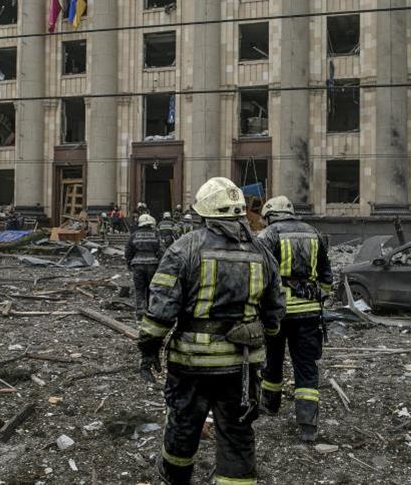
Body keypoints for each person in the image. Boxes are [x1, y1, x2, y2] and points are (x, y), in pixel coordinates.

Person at [137, 177, 285, 485]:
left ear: (203, 213)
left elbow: (161, 309)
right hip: (241, 366)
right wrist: (264, 338)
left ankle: (176, 477)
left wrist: (148, 348)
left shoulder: (185, 248)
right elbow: (275, 310)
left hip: (191, 364)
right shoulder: (261, 252)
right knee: (237, 431)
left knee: (183, 426)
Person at [257, 195, 333, 442]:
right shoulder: (315, 234)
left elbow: (258, 273)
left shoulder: (268, 235)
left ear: (270, 215)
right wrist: (320, 298)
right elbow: (326, 276)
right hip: (309, 313)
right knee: (306, 367)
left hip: (277, 313)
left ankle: (270, 405)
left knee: (273, 360)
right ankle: (308, 425)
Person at [125, 214, 164, 318]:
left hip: (137, 265)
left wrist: (129, 263)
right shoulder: (156, 234)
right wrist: (160, 263)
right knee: (152, 288)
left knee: (139, 289)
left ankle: (140, 311)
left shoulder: (134, 235)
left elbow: (128, 251)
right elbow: (161, 250)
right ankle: (151, 310)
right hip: (152, 265)